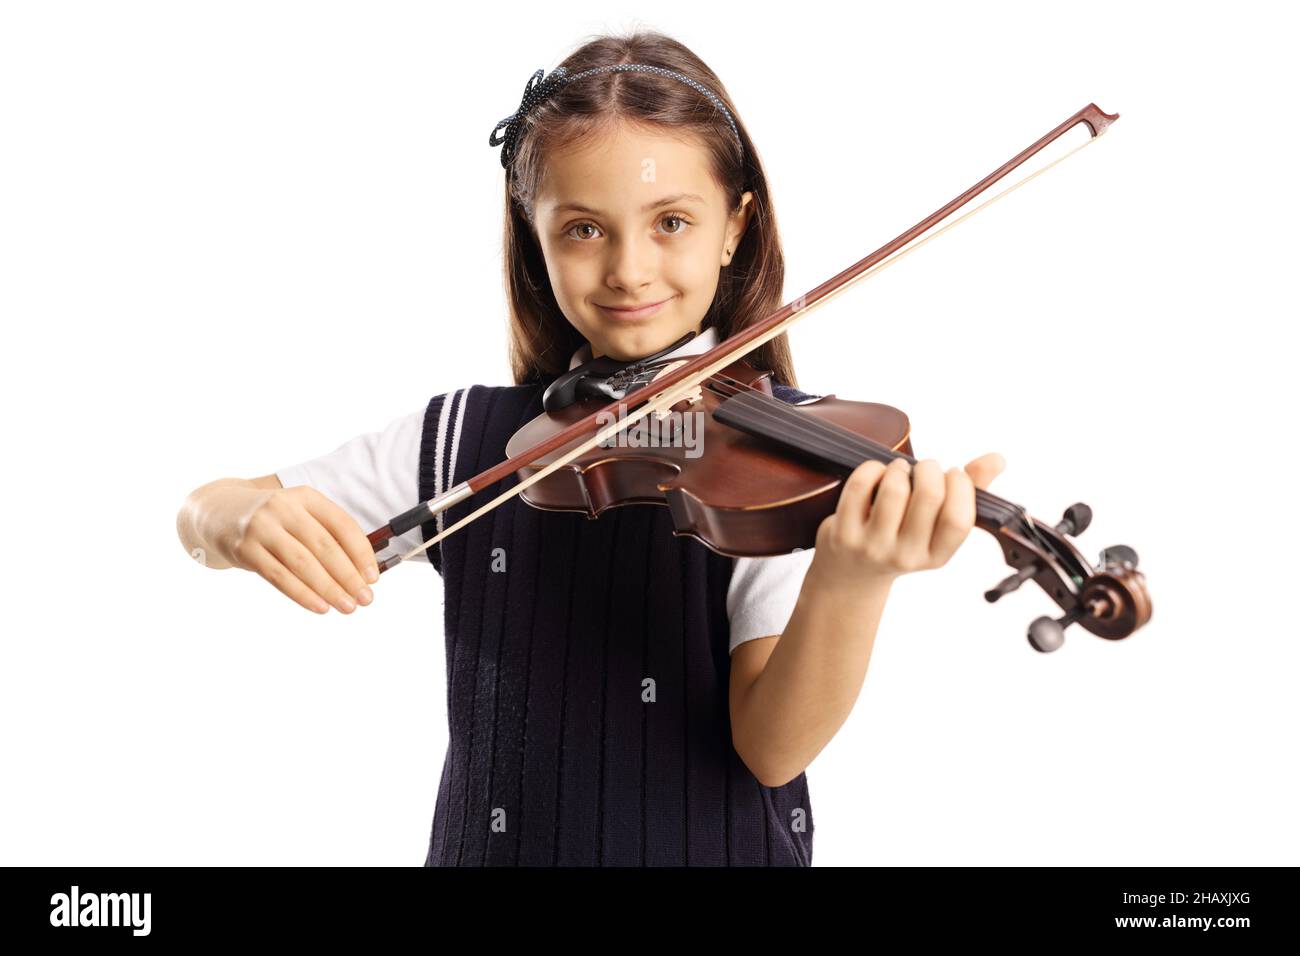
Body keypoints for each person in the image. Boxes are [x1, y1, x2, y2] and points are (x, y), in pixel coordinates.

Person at [175, 30, 1005, 866]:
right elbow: (207, 509)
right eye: (582, 230)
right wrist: (239, 519)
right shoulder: (466, 436)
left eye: (671, 222)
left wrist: (853, 579)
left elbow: (772, 747)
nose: (630, 271)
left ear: (734, 227)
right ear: (533, 237)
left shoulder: (784, 459)